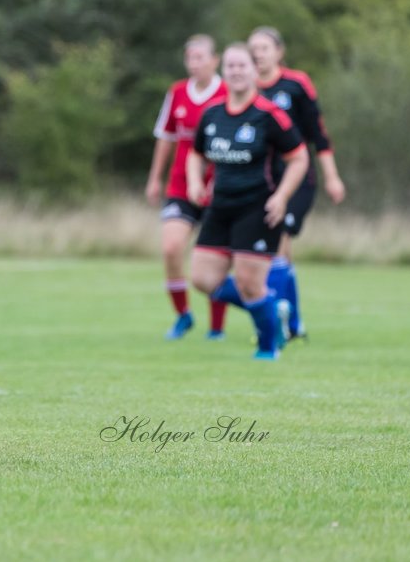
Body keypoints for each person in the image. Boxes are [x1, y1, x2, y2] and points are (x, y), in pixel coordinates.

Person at [188, 42, 309, 360]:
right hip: (220, 206)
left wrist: (282, 197)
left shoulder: (270, 115)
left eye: (243, 65)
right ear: (223, 71)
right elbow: (195, 153)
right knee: (202, 279)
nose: (237, 71)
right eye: (231, 66)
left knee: (249, 284)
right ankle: (273, 309)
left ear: (255, 71)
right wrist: (194, 180)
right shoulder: (212, 114)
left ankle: (269, 348)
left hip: (258, 208)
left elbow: (299, 158)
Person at [247, 27, 346, 340]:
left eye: (264, 48)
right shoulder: (242, 88)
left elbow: (318, 134)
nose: (258, 54)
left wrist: (332, 176)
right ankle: (294, 322)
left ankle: (277, 324)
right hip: (260, 181)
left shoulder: (296, 84)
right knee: (278, 254)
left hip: (298, 178)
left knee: (279, 242)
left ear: (279, 52)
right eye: (253, 49)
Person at [145, 34, 229, 341]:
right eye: (189, 58)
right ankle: (183, 315)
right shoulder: (177, 92)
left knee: (213, 260)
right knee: (171, 248)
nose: (194, 64)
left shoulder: (227, 92)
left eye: (200, 57)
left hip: (220, 190)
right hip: (181, 186)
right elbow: (165, 138)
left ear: (214, 60)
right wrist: (155, 178)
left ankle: (217, 327)